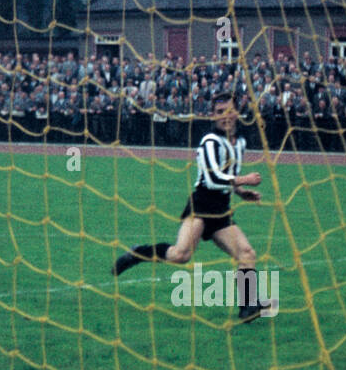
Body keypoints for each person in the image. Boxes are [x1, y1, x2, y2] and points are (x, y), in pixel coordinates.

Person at [112, 93, 271, 323]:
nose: (225, 116)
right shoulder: (209, 142)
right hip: (201, 206)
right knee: (181, 255)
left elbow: (230, 174)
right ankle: (139, 252)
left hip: (222, 210)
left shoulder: (241, 143)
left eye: (228, 111)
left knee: (247, 254)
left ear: (237, 113)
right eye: (219, 112)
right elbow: (213, 178)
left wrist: (240, 192)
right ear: (212, 116)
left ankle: (247, 309)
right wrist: (244, 180)